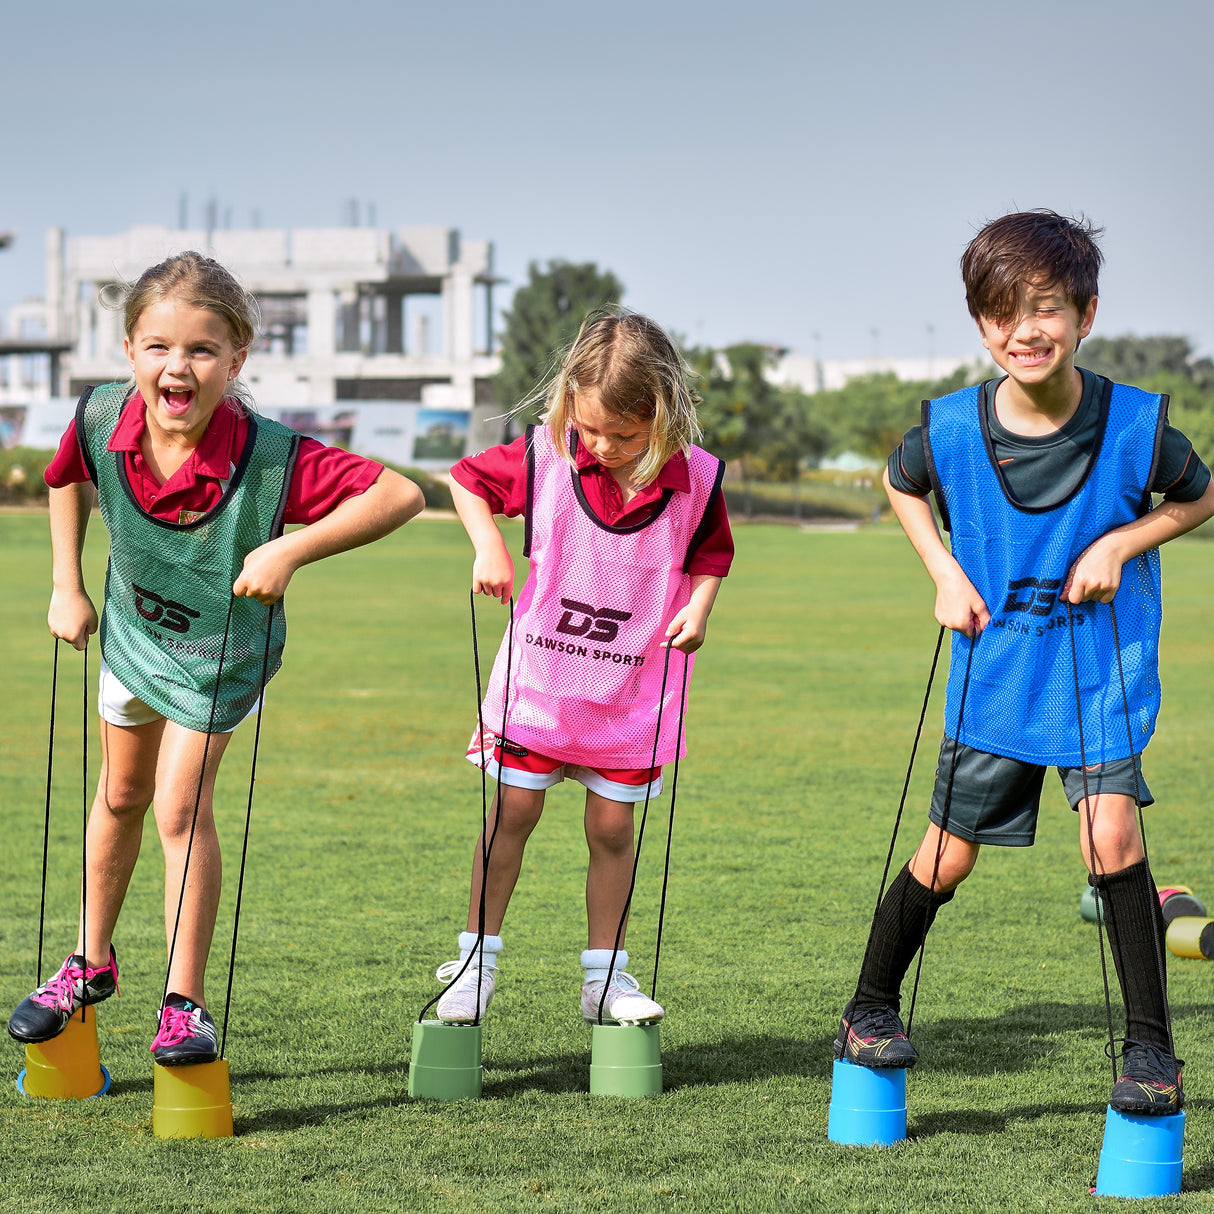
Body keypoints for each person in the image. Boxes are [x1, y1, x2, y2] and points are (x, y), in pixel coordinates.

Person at [835, 210, 1214, 1115]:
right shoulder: (952, 430)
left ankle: (1151, 1054)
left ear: (1086, 313)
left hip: (1098, 672)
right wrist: (942, 570)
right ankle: (867, 1009)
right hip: (996, 675)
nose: (1023, 330)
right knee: (948, 857)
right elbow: (900, 483)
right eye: (1001, 312)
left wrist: (1126, 541)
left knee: (1110, 837)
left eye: (1045, 308)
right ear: (979, 324)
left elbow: (1200, 496)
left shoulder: (1135, 424)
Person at [6, 252, 423, 1065]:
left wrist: (293, 550)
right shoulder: (100, 417)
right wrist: (66, 586)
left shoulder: (271, 456)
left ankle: (185, 1005)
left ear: (236, 361)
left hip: (218, 659)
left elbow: (398, 494)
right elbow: (66, 480)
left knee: (178, 809)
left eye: (202, 350)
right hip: (133, 639)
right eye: (158, 346)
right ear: (130, 351)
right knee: (120, 793)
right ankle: (89, 962)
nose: (178, 366)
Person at [431, 308, 733, 1026]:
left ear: (661, 416)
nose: (600, 446)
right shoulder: (546, 456)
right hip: (540, 686)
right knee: (513, 812)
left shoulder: (696, 479)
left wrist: (700, 608)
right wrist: (488, 547)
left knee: (610, 831)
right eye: (588, 428)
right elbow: (466, 481)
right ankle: (473, 965)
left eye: (622, 435)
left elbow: (710, 555)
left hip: (632, 692)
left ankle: (607, 982)